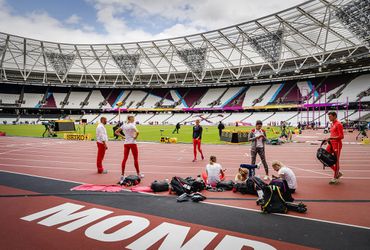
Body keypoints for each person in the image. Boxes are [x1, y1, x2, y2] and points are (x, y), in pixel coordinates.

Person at [115, 115, 144, 182]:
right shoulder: (132, 125)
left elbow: (116, 132)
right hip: (132, 143)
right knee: (135, 159)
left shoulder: (124, 125)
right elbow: (138, 132)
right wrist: (135, 137)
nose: (134, 119)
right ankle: (138, 174)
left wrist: (123, 137)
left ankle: (122, 175)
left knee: (124, 159)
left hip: (126, 143)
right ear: (130, 118)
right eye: (133, 118)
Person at [325, 111, 344, 184]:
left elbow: (341, 136)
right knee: (325, 158)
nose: (329, 118)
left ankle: (335, 177)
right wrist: (328, 139)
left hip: (337, 144)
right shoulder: (332, 124)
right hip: (331, 144)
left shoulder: (338, 124)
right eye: (328, 116)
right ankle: (337, 172)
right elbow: (333, 134)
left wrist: (331, 138)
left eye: (330, 116)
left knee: (336, 161)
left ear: (334, 116)